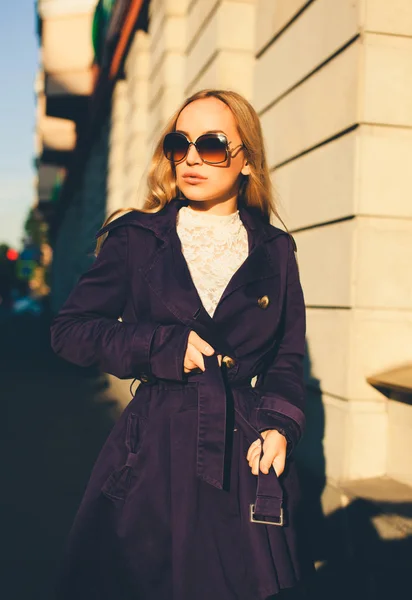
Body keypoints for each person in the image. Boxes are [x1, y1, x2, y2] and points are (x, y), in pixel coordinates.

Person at [50, 89, 315, 600]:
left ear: (246, 162)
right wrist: (160, 346)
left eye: (213, 145)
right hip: (153, 448)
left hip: (243, 450)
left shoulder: (276, 251)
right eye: (180, 142)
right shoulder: (137, 238)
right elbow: (71, 331)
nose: (192, 157)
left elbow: (288, 356)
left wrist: (281, 426)